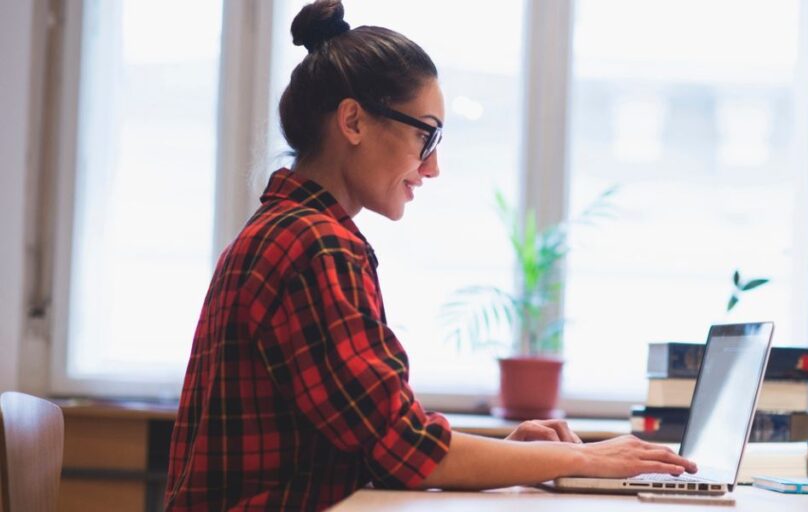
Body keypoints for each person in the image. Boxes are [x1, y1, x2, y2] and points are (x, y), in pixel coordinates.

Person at [164, 1, 697, 509]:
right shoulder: (316, 245)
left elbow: (379, 445)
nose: (433, 166)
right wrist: (578, 458)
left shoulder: (285, 229)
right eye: (427, 135)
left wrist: (516, 456)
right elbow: (404, 449)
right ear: (353, 122)